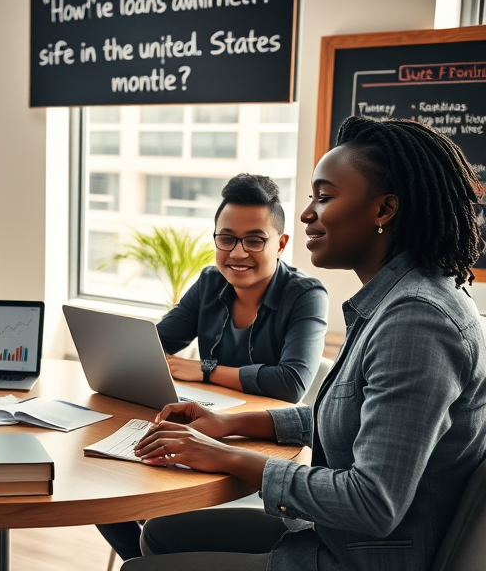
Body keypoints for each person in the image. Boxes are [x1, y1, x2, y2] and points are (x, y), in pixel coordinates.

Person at [122, 116, 486, 571]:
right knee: (160, 532)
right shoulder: (396, 301)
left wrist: (226, 456)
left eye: (325, 196)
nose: (307, 212)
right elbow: (352, 414)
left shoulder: (417, 321)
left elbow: (372, 502)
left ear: (383, 210)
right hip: (336, 538)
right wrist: (227, 425)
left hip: (359, 558)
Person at [97, 174, 329, 561]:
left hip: (259, 445)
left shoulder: (305, 295)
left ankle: (156, 561)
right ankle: (143, 562)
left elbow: (290, 383)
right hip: (204, 424)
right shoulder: (210, 282)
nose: (238, 253)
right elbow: (155, 345)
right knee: (106, 484)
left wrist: (204, 369)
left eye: (254, 239)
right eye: (226, 238)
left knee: (147, 503)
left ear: (281, 243)